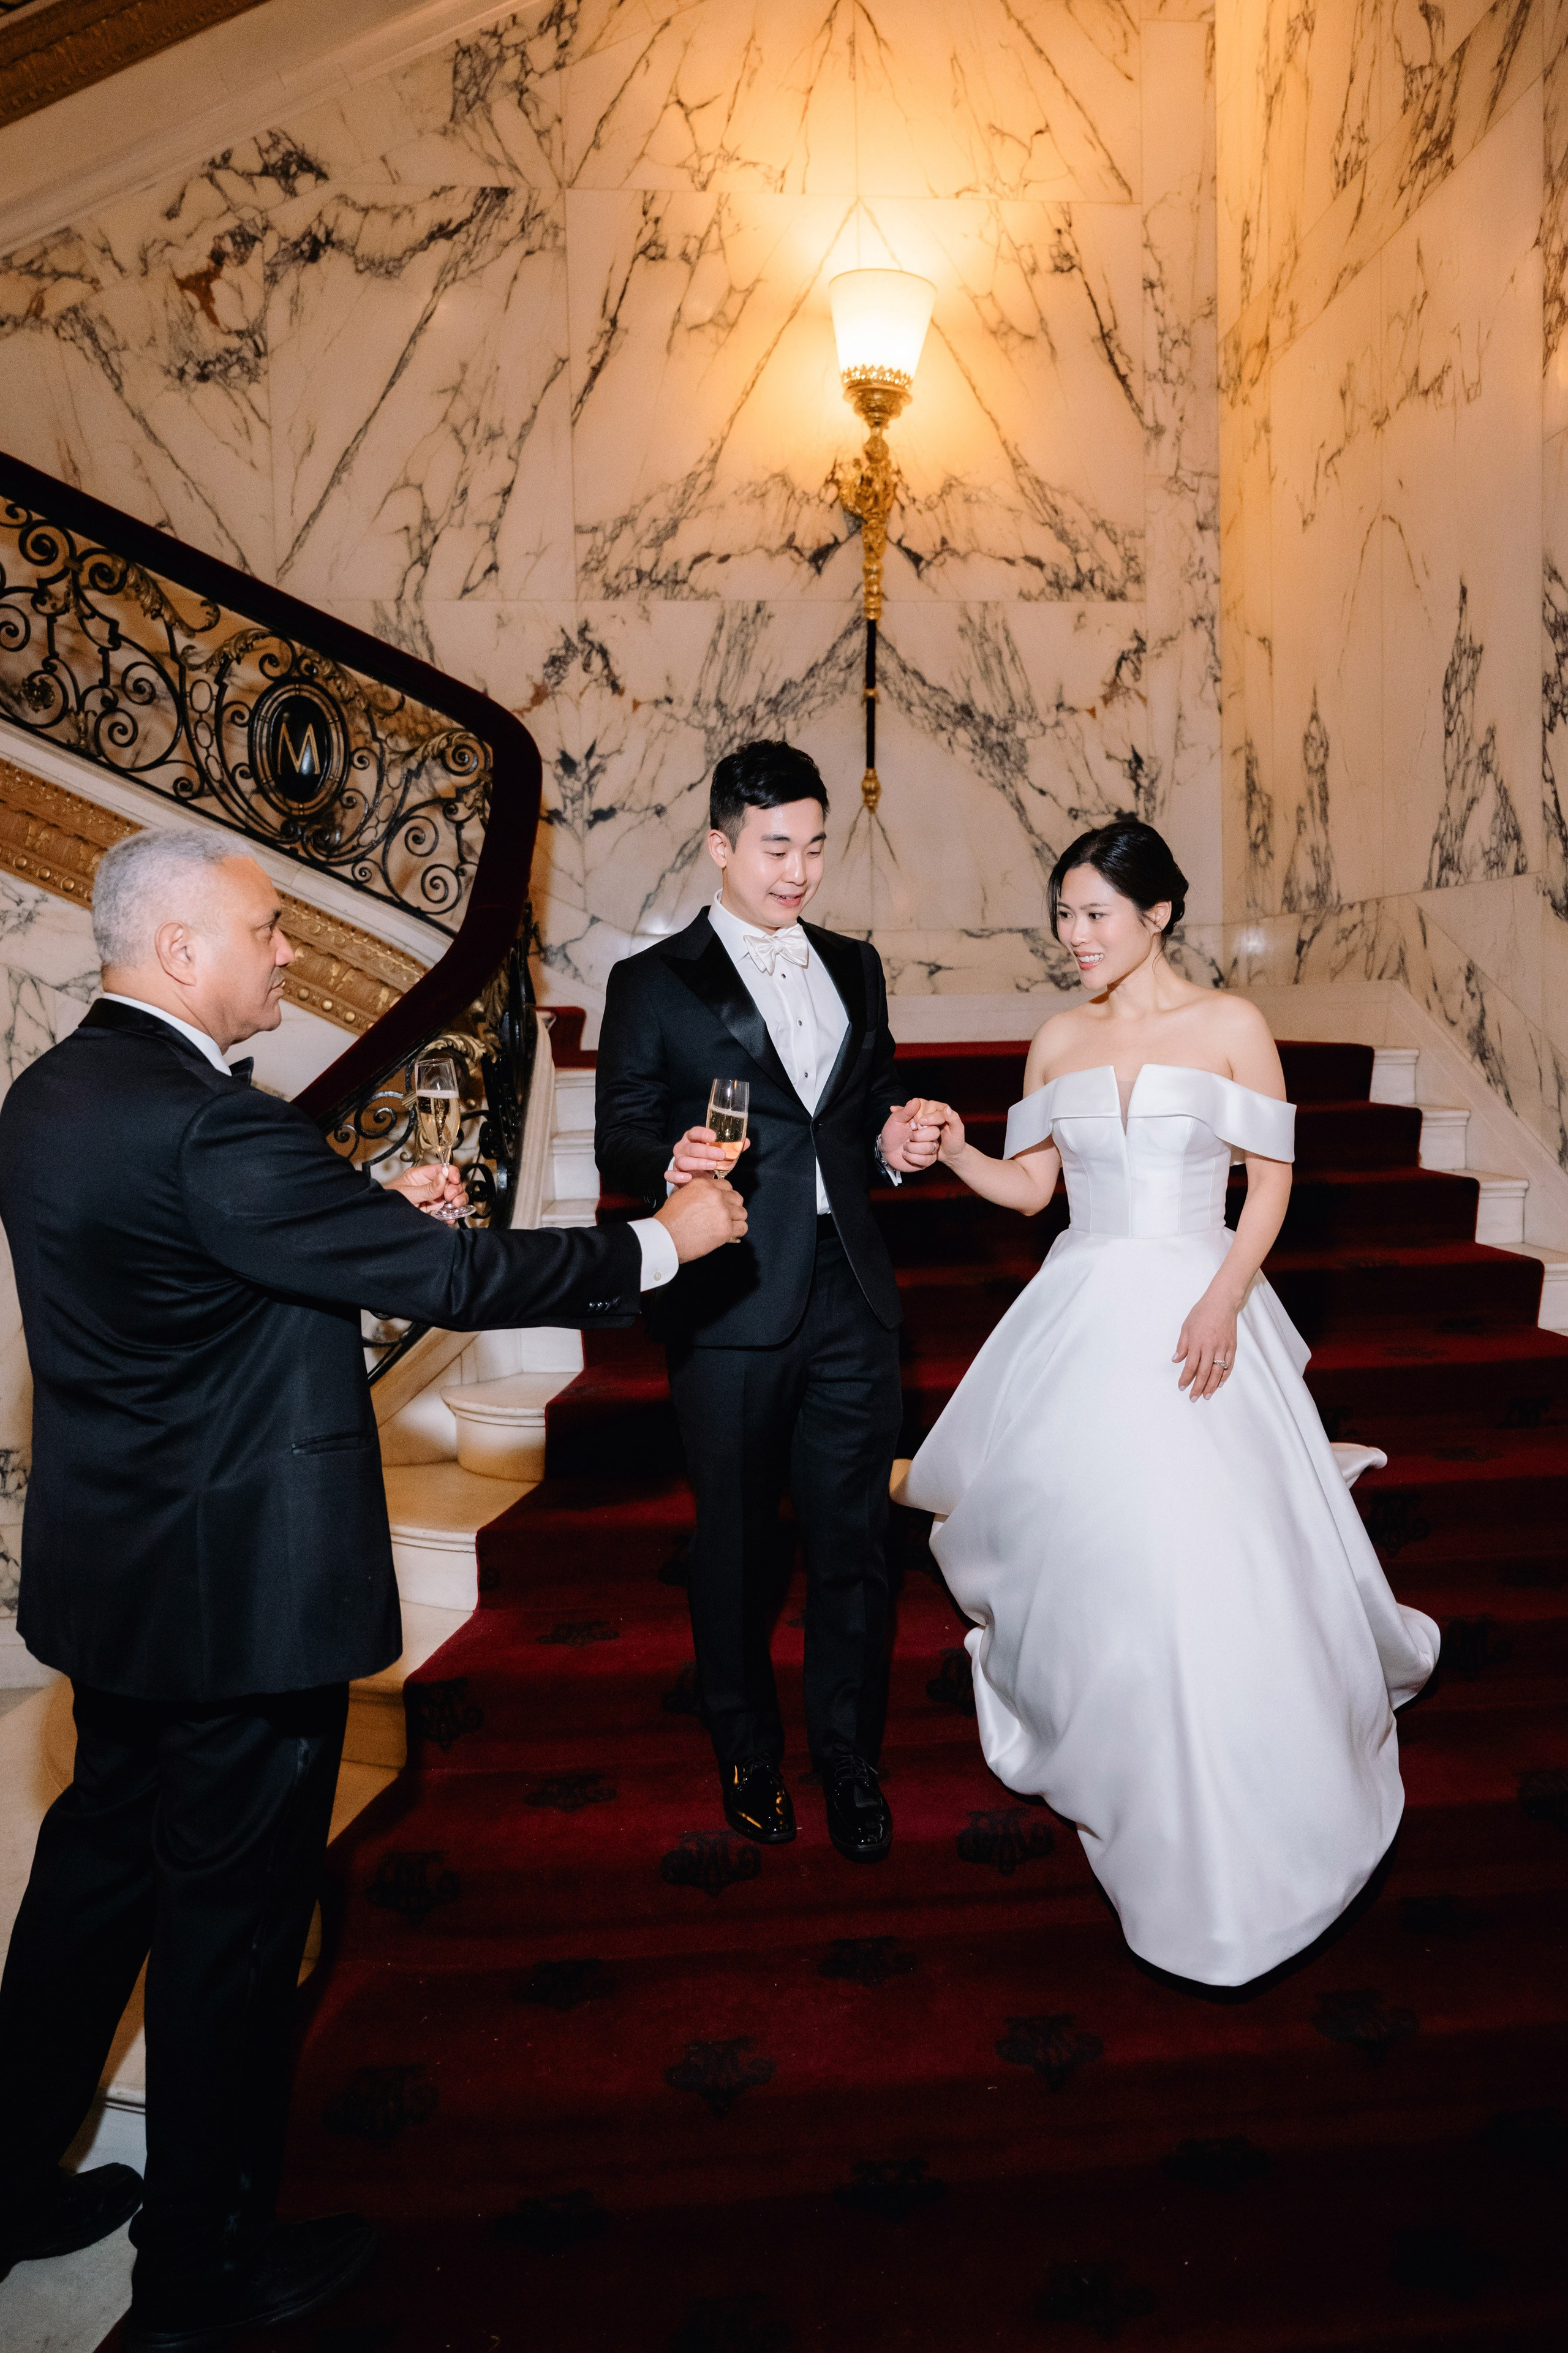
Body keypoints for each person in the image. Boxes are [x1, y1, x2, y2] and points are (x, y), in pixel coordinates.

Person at [0, 828, 742, 2350]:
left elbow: (189, 1274)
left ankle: (3, 2186)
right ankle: (197, 2280)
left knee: (89, 1882)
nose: (287, 952)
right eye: (265, 931)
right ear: (185, 952)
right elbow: (463, 1284)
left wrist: (342, 1203)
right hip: (235, 1608)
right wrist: (662, 1243)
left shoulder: (54, 1094)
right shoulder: (212, 1131)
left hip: (120, 1586)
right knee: (230, 1937)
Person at [903, 818, 1438, 1987]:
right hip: (1085, 1306)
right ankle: (1127, 1755)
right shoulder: (1055, 1038)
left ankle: (1252, 1802)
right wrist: (951, 1147)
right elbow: (1029, 1191)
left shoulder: (1232, 1027)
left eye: (1095, 915)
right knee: (1109, 1557)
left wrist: (1222, 1298)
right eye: (1063, 915)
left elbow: (1272, 1184)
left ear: (1157, 917)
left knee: (1210, 1556)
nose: (1073, 937)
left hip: (1201, 1302)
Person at [595, 741, 943, 1862]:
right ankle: (746, 1748)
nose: (798, 870)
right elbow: (620, 1125)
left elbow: (871, 1094)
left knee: (854, 1547)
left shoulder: (858, 963)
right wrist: (671, 1154)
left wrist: (898, 1138)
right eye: (776, 847)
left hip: (853, 1293)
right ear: (721, 846)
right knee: (737, 1547)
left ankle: (847, 1753)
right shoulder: (651, 981)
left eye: (814, 846)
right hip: (732, 1290)